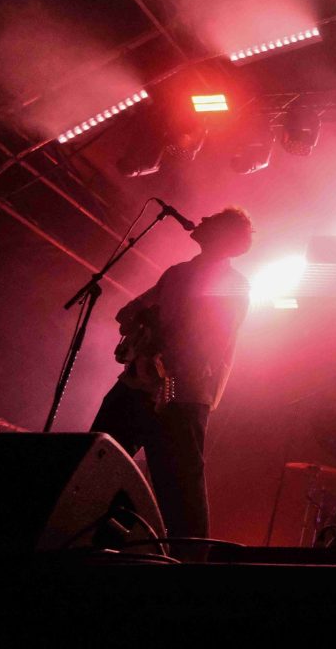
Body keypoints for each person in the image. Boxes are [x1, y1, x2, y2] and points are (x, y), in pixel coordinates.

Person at [91, 207, 253, 541]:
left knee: (180, 487)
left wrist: (168, 364)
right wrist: (138, 321)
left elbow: (212, 344)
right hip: (139, 382)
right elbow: (129, 312)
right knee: (96, 459)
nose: (202, 220)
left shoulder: (233, 284)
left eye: (212, 220)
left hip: (182, 390)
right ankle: (96, 540)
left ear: (224, 236)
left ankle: (189, 556)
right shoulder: (178, 272)